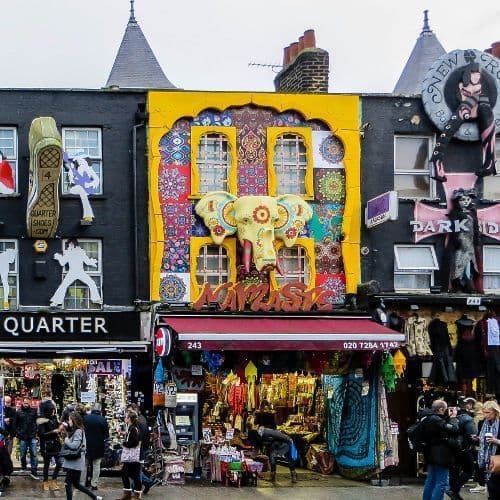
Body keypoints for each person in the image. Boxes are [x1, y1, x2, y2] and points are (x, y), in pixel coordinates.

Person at [420, 399, 459, 500]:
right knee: (441, 482)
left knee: (430, 480)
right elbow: (454, 429)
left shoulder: (427, 418)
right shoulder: (436, 420)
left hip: (430, 453)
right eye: (446, 409)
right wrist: (453, 418)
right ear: (442, 409)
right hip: (442, 455)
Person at [61, 411, 102, 500]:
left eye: (70, 420)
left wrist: (66, 440)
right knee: (76, 484)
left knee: (67, 483)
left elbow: (74, 446)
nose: (69, 422)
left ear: (74, 420)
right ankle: (94, 497)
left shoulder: (78, 431)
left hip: (75, 463)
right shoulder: (77, 430)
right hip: (75, 462)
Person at [50, 239, 102, 307]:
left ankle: (96, 299)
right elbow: (63, 263)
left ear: (74, 244)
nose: (70, 246)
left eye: (71, 244)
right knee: (63, 286)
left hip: (80, 271)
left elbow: (87, 261)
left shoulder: (81, 252)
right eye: (69, 245)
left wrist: (92, 262)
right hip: (72, 272)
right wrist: (59, 257)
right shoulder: (68, 253)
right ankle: (56, 302)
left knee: (91, 283)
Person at [447, 397, 478, 500]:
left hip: (452, 448)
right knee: (469, 469)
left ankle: (454, 494)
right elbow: (472, 434)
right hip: (463, 448)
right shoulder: (467, 418)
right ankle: (454, 490)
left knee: (454, 471)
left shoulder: (449, 417)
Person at [126, 404, 157, 495]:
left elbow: (139, 438)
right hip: (141, 449)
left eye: (130, 411)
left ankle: (135, 490)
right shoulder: (141, 419)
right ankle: (147, 483)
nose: (128, 413)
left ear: (135, 410)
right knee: (136, 471)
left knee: (135, 471)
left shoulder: (138, 421)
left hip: (139, 450)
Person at [475, 400, 500, 499]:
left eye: (488, 412)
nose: (486, 415)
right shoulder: (482, 423)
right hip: (486, 460)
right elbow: (481, 440)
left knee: (496, 487)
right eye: (484, 412)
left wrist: (496, 441)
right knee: (491, 487)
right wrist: (477, 438)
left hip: (498, 459)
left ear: (495, 412)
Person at [116, 410, 142, 500]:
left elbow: (134, 442)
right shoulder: (132, 427)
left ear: (130, 419)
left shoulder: (133, 428)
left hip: (131, 456)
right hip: (132, 456)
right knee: (129, 474)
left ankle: (134, 495)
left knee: (131, 474)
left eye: (126, 417)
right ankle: (130, 494)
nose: (125, 418)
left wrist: (124, 444)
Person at [37, 403, 63, 492]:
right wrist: (53, 431)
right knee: (47, 465)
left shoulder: (55, 418)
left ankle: (54, 479)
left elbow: (57, 429)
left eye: (54, 410)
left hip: (56, 444)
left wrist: (60, 429)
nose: (53, 412)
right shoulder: (42, 420)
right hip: (46, 445)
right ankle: (45, 481)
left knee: (59, 463)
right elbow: (41, 434)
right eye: (52, 410)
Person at [84, 403, 109, 491]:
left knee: (85, 464)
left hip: (86, 445)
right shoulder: (103, 419)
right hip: (98, 446)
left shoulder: (86, 418)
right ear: (100, 410)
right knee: (96, 465)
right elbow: (106, 435)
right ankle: (94, 484)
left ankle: (83, 483)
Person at [14, 397, 38, 479]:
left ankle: (34, 471)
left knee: (34, 454)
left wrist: (35, 431)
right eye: (25, 403)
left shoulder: (34, 412)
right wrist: (19, 433)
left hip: (32, 436)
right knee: (23, 454)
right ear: (22, 403)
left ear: (30, 403)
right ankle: (23, 466)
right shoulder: (18, 412)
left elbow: (37, 422)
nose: (26, 404)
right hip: (23, 436)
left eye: (28, 403)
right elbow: (15, 424)